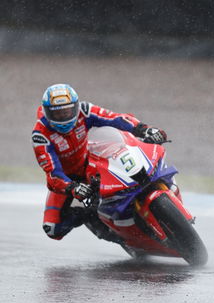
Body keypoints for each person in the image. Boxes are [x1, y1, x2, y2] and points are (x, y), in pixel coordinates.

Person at [31, 83, 168, 241]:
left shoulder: (84, 111)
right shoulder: (40, 135)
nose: (64, 117)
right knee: (52, 229)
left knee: (131, 147)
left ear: (75, 107)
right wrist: (72, 187)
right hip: (68, 180)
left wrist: (144, 129)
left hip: (91, 162)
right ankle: (92, 218)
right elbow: (53, 173)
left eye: (68, 111)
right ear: (47, 113)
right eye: (58, 114)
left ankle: (158, 181)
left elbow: (115, 118)